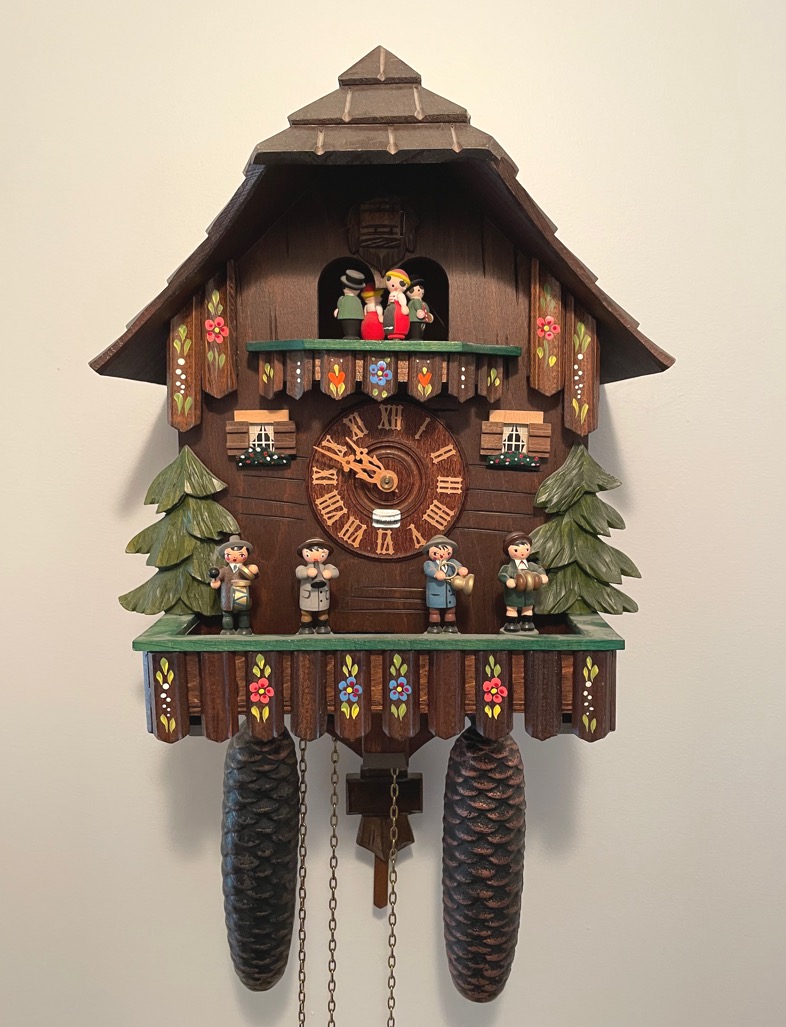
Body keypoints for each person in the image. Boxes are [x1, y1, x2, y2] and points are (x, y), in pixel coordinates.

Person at [497, 531, 548, 633]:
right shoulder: (508, 567)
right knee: (512, 608)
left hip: (528, 594)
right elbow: (501, 574)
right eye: (516, 550)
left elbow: (539, 569)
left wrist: (542, 576)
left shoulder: (531, 566)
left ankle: (527, 622)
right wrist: (508, 580)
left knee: (528, 608)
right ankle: (512, 623)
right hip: (513, 594)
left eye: (526, 549)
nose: (522, 552)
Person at [210, 534, 259, 634]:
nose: (235, 557)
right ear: (225, 556)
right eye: (230, 555)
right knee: (227, 614)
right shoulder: (224, 571)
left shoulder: (246, 569)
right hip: (228, 596)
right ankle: (228, 630)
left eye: (241, 555)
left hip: (243, 597)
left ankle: (244, 628)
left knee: (244, 614)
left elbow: (254, 575)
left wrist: (253, 570)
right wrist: (215, 581)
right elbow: (217, 580)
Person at [423, 534, 469, 633]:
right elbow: (429, 570)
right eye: (436, 552)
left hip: (449, 594)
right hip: (435, 594)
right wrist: (436, 574)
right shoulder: (429, 563)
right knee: (434, 611)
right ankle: (434, 626)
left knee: (451, 610)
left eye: (446, 552)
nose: (441, 555)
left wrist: (461, 570)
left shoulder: (452, 562)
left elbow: (458, 566)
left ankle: (450, 626)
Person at [295, 537, 340, 634]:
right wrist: (307, 572)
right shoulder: (303, 567)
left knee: (323, 612)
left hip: (323, 596)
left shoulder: (326, 566)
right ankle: (306, 628)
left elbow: (335, 571)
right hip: (308, 597)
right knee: (306, 613)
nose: (316, 556)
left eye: (321, 553)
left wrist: (330, 573)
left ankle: (322, 626)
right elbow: (299, 573)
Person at [333, 269, 365, 339]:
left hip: (354, 318)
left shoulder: (356, 300)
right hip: (346, 317)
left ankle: (353, 335)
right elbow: (339, 306)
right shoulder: (344, 299)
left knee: (353, 327)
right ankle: (350, 335)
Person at [382, 268, 410, 340]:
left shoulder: (400, 294)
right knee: (390, 320)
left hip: (398, 311)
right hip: (390, 309)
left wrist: (404, 306)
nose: (394, 286)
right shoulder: (390, 294)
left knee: (397, 322)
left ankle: (398, 332)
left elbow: (402, 301)